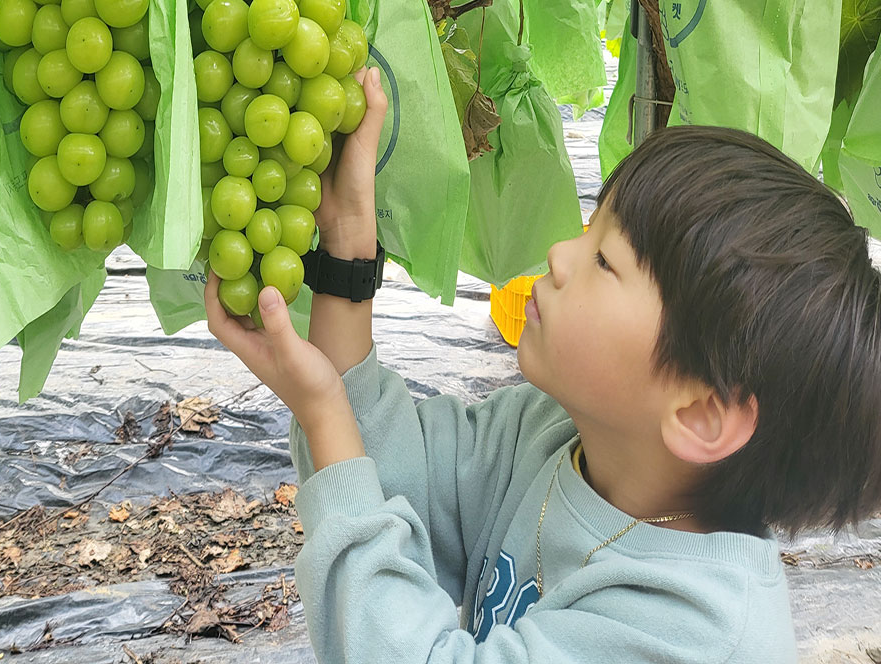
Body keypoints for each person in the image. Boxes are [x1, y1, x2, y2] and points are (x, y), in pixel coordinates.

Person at [205, 65, 881, 664]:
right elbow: (392, 470)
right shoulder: (549, 439)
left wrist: (324, 413)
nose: (560, 254)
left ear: (702, 412)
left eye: (606, 259)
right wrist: (348, 250)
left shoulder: (694, 633)